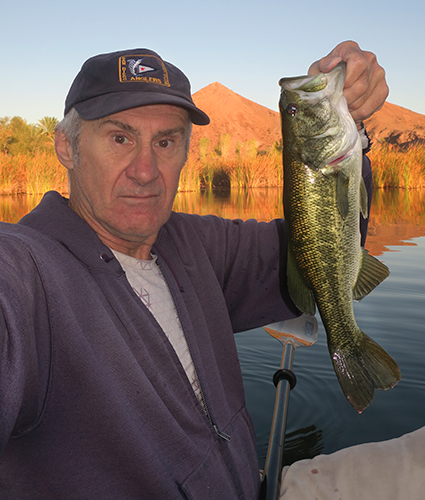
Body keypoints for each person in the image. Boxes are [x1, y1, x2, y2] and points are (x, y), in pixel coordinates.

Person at [0, 42, 388, 499]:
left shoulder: (196, 245)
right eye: (120, 138)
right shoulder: (27, 275)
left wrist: (352, 128)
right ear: (67, 147)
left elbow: (323, 242)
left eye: (165, 141)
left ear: (185, 150)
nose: (145, 171)